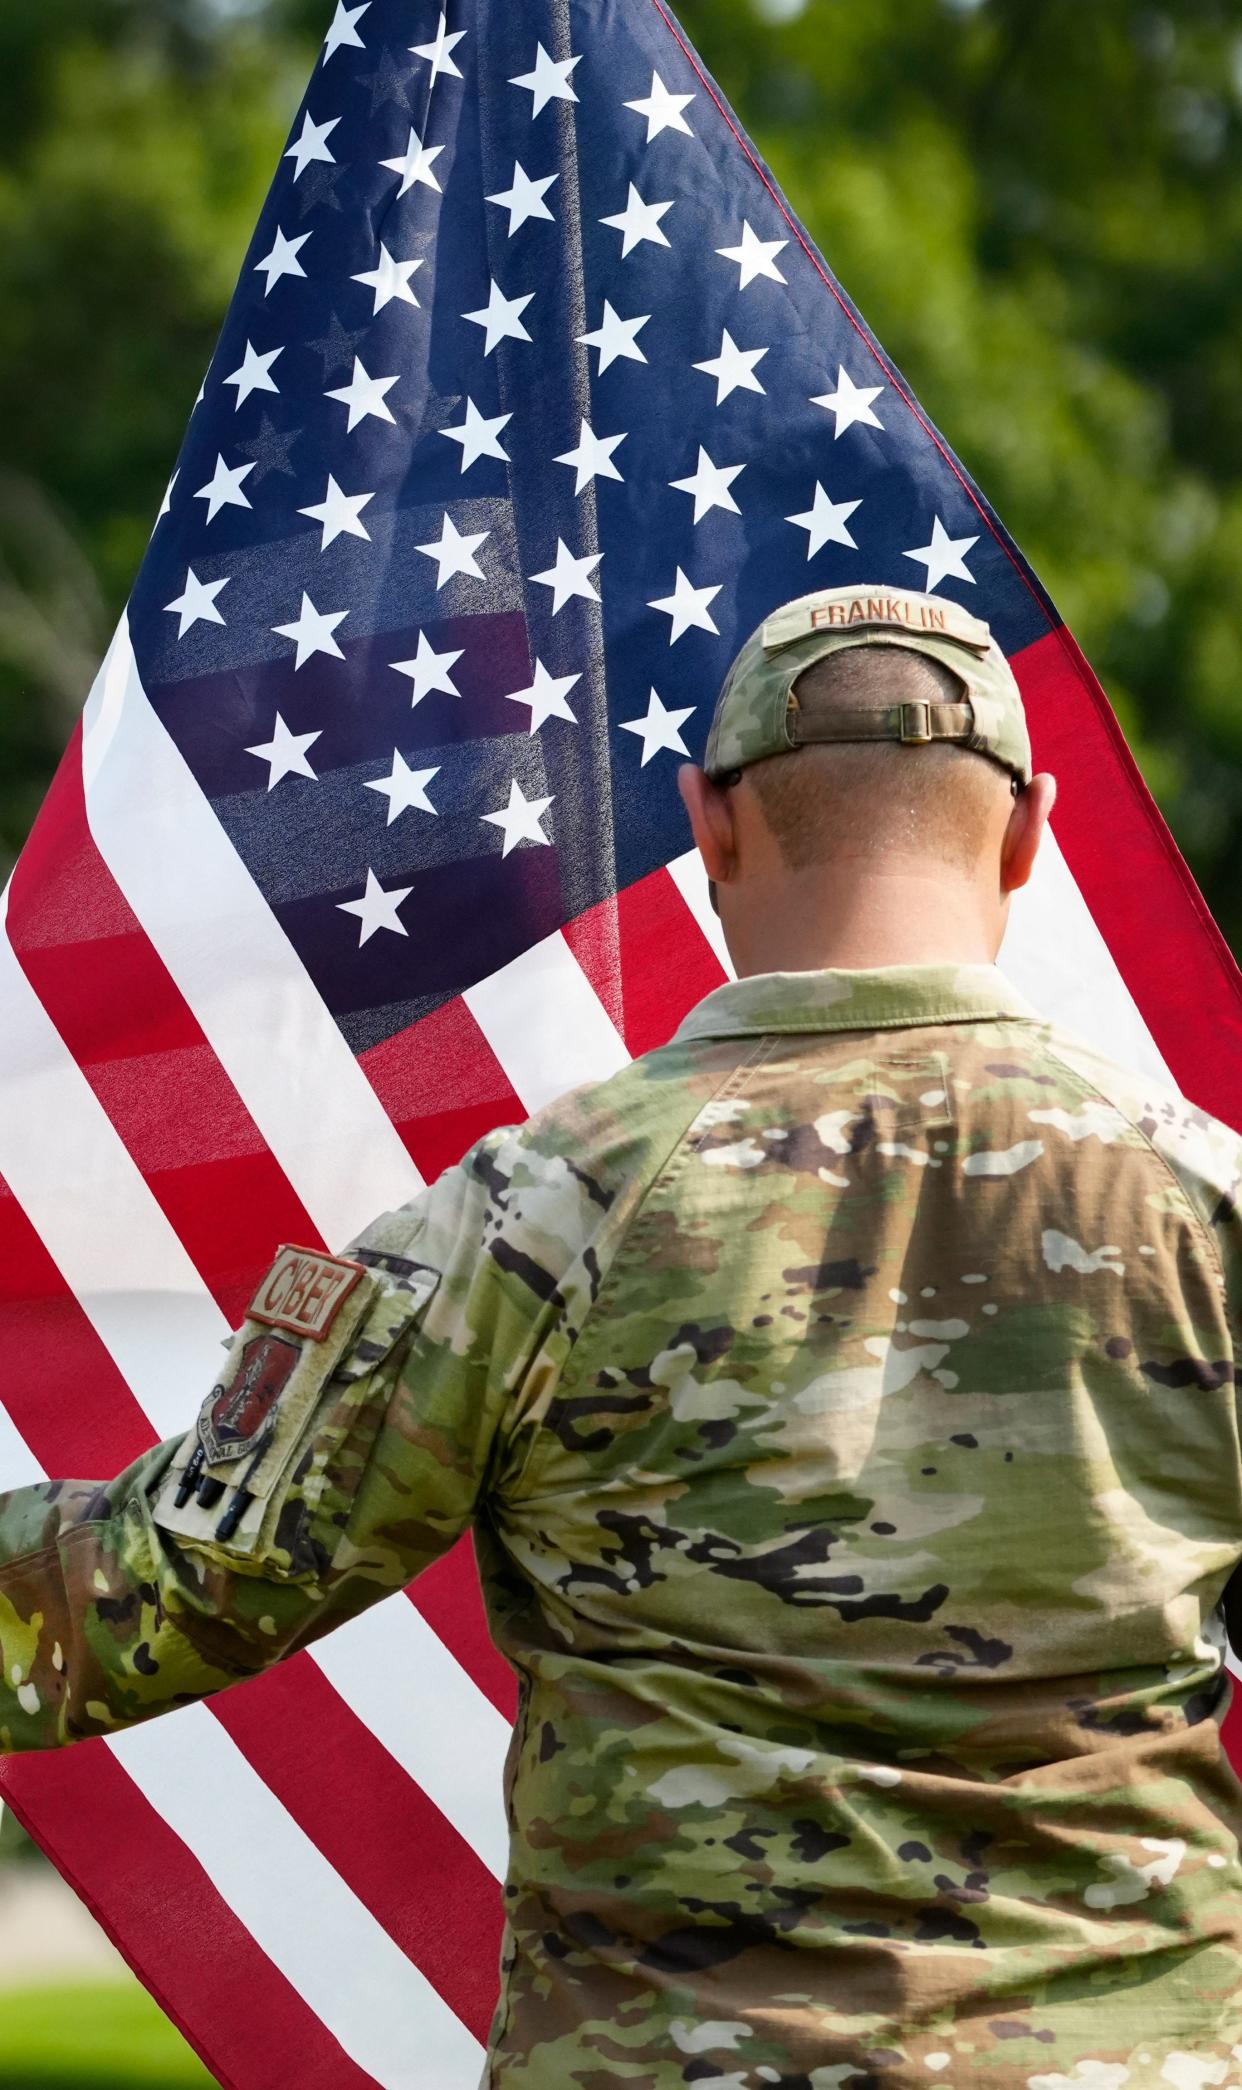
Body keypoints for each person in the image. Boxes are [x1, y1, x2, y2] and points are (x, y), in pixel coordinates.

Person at [1, 581, 1241, 2086]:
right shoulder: (1202, 1203)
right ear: (1033, 829)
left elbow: (136, 1599)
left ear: (707, 821)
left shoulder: (546, 1214)